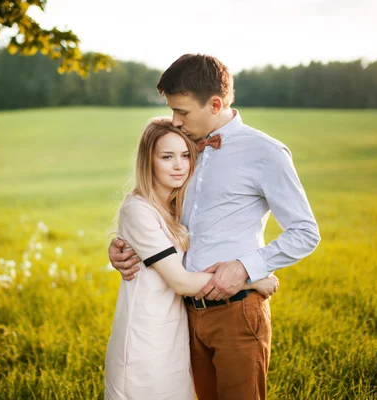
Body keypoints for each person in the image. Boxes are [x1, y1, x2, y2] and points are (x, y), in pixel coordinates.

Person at [108, 54, 321, 400]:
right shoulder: (185, 148)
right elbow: (160, 215)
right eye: (173, 111)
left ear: (215, 103)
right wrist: (125, 244)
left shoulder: (265, 153)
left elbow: (306, 232)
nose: (175, 121)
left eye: (182, 112)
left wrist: (247, 269)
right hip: (185, 317)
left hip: (237, 312)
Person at [104, 117, 279, 400]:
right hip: (145, 334)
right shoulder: (138, 209)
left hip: (176, 332)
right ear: (148, 161)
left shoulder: (176, 206)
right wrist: (253, 280)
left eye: (185, 155)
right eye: (167, 157)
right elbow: (182, 282)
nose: (179, 165)